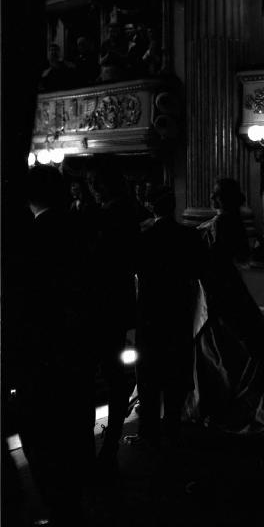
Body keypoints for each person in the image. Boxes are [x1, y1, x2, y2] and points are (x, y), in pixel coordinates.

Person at [183, 178, 264, 436]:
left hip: (217, 286)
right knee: (233, 339)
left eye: (216, 195)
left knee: (219, 340)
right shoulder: (233, 221)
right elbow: (241, 256)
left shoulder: (223, 221)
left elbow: (212, 255)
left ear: (227, 198)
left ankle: (220, 397)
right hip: (227, 284)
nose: (212, 199)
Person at [17, 165, 95, 526]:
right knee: (75, 423)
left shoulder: (31, 237)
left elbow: (25, 304)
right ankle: (74, 502)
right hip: (78, 348)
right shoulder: (84, 228)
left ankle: (58, 506)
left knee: (42, 432)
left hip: (42, 352)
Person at [131, 186, 205, 446]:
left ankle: (148, 431)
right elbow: (198, 271)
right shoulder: (189, 235)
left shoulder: (144, 238)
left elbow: (136, 273)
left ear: (151, 206)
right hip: (179, 311)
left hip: (151, 314)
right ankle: (172, 424)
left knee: (149, 374)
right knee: (177, 369)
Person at [86, 157, 140, 471]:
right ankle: (110, 438)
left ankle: (108, 441)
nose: (91, 191)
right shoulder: (125, 211)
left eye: (93, 185)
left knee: (107, 373)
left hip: (102, 304)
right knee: (112, 372)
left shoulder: (110, 215)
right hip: (116, 303)